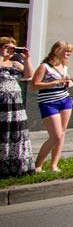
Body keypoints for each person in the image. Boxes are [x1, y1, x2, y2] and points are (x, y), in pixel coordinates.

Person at [30, 41, 73, 173]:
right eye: (66, 51)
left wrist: (69, 82)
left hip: (65, 100)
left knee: (61, 134)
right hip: (48, 102)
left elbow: (65, 80)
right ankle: (38, 165)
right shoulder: (45, 66)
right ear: (56, 50)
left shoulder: (64, 66)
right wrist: (54, 83)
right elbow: (34, 85)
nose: (68, 53)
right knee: (55, 135)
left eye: (70, 51)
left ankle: (54, 165)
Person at [0, 38, 35, 177]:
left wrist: (26, 59)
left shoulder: (14, 63)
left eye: (13, 48)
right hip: (1, 102)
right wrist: (2, 55)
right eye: (7, 47)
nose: (10, 50)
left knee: (16, 132)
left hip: (15, 103)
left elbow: (28, 75)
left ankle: (16, 165)